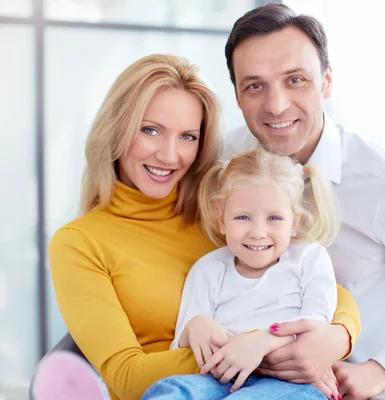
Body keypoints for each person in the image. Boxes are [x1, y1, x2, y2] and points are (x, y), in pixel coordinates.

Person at [44, 54, 361, 400]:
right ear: (116, 128)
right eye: (150, 130)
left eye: (188, 137)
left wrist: (336, 337)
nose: (169, 155)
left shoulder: (225, 217)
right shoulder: (80, 243)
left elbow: (326, 287)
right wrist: (251, 351)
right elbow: (126, 376)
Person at [220, 4, 385, 400]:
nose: (276, 105)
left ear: (326, 82)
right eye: (255, 86)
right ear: (238, 96)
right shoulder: (222, 162)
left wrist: (379, 372)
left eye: (295, 80)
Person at [142, 148, 342, 400]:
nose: (258, 232)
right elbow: (179, 345)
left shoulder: (309, 258)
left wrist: (262, 342)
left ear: (295, 222)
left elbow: (316, 325)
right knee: (173, 391)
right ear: (221, 218)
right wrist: (195, 325)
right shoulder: (208, 269)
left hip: (291, 383)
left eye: (274, 218)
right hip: (222, 377)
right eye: (243, 217)